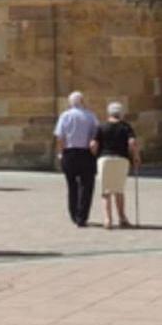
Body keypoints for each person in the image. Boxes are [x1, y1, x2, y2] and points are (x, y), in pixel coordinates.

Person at [91, 102, 141, 229]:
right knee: (119, 190)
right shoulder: (126, 127)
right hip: (121, 159)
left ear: (109, 113)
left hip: (105, 159)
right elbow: (132, 142)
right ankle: (122, 218)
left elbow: (93, 145)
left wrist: (95, 155)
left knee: (105, 191)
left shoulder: (101, 127)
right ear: (121, 114)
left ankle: (108, 219)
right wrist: (135, 157)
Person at [54, 91, 99, 227]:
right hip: (86, 153)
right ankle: (82, 216)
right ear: (82, 101)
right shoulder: (91, 116)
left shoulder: (65, 116)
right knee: (87, 186)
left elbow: (60, 137)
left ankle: (74, 214)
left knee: (72, 185)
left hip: (70, 153)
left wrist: (60, 153)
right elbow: (96, 136)